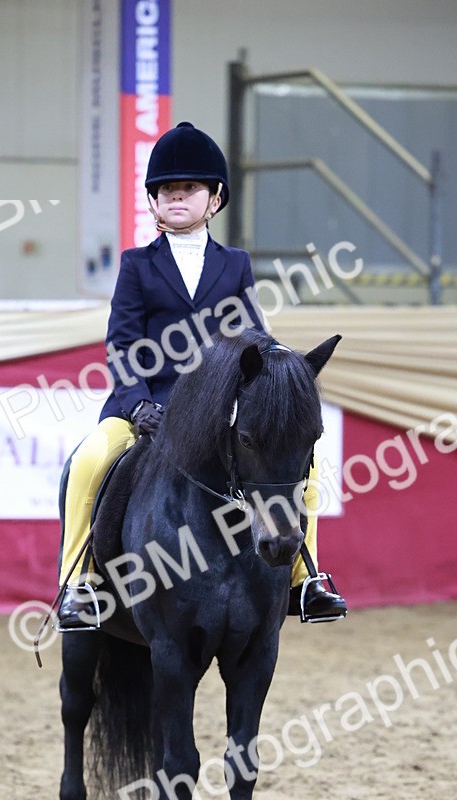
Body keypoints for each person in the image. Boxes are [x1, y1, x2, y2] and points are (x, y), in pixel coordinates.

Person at [56, 121, 347, 629]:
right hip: (146, 408)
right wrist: (135, 401)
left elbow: (253, 336)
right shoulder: (136, 265)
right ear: (153, 201)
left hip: (216, 414)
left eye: (188, 188)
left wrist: (285, 367)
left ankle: (307, 578)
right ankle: (78, 584)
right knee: (90, 458)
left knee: (308, 465)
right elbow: (122, 343)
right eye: (165, 189)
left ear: (214, 199)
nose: (175, 196)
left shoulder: (234, 264)